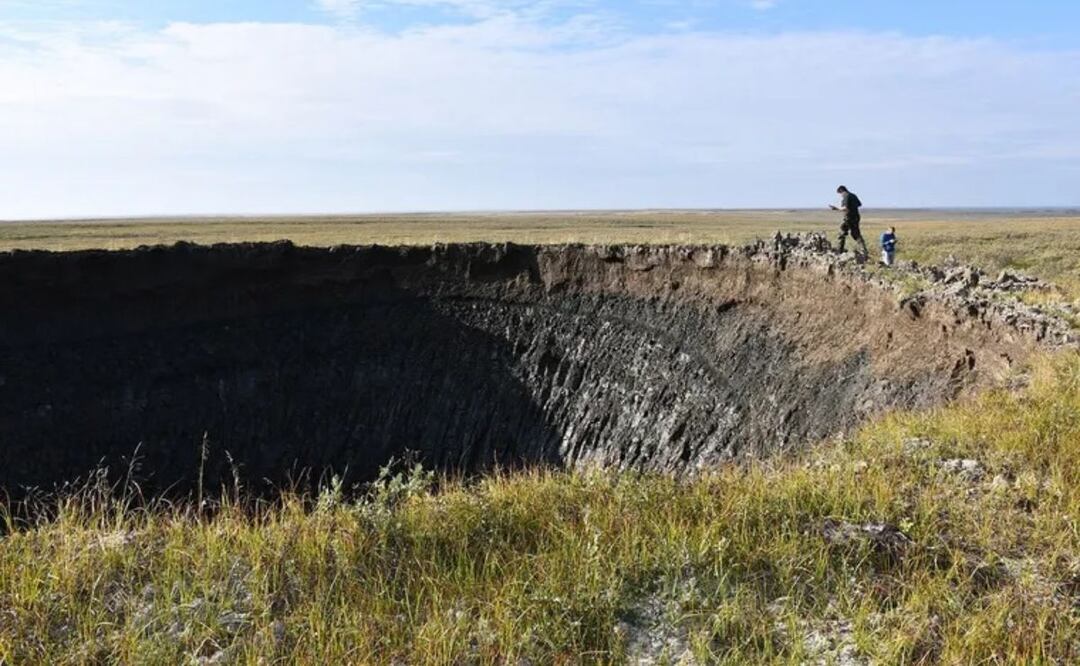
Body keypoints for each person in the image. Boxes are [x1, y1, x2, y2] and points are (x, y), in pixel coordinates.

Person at [829, 185, 868, 256]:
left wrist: (836, 208)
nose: (840, 196)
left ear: (842, 191)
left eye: (840, 194)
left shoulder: (846, 196)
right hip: (856, 217)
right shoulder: (853, 195)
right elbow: (859, 204)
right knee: (856, 234)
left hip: (848, 218)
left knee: (842, 233)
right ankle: (864, 249)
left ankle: (839, 250)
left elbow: (845, 208)